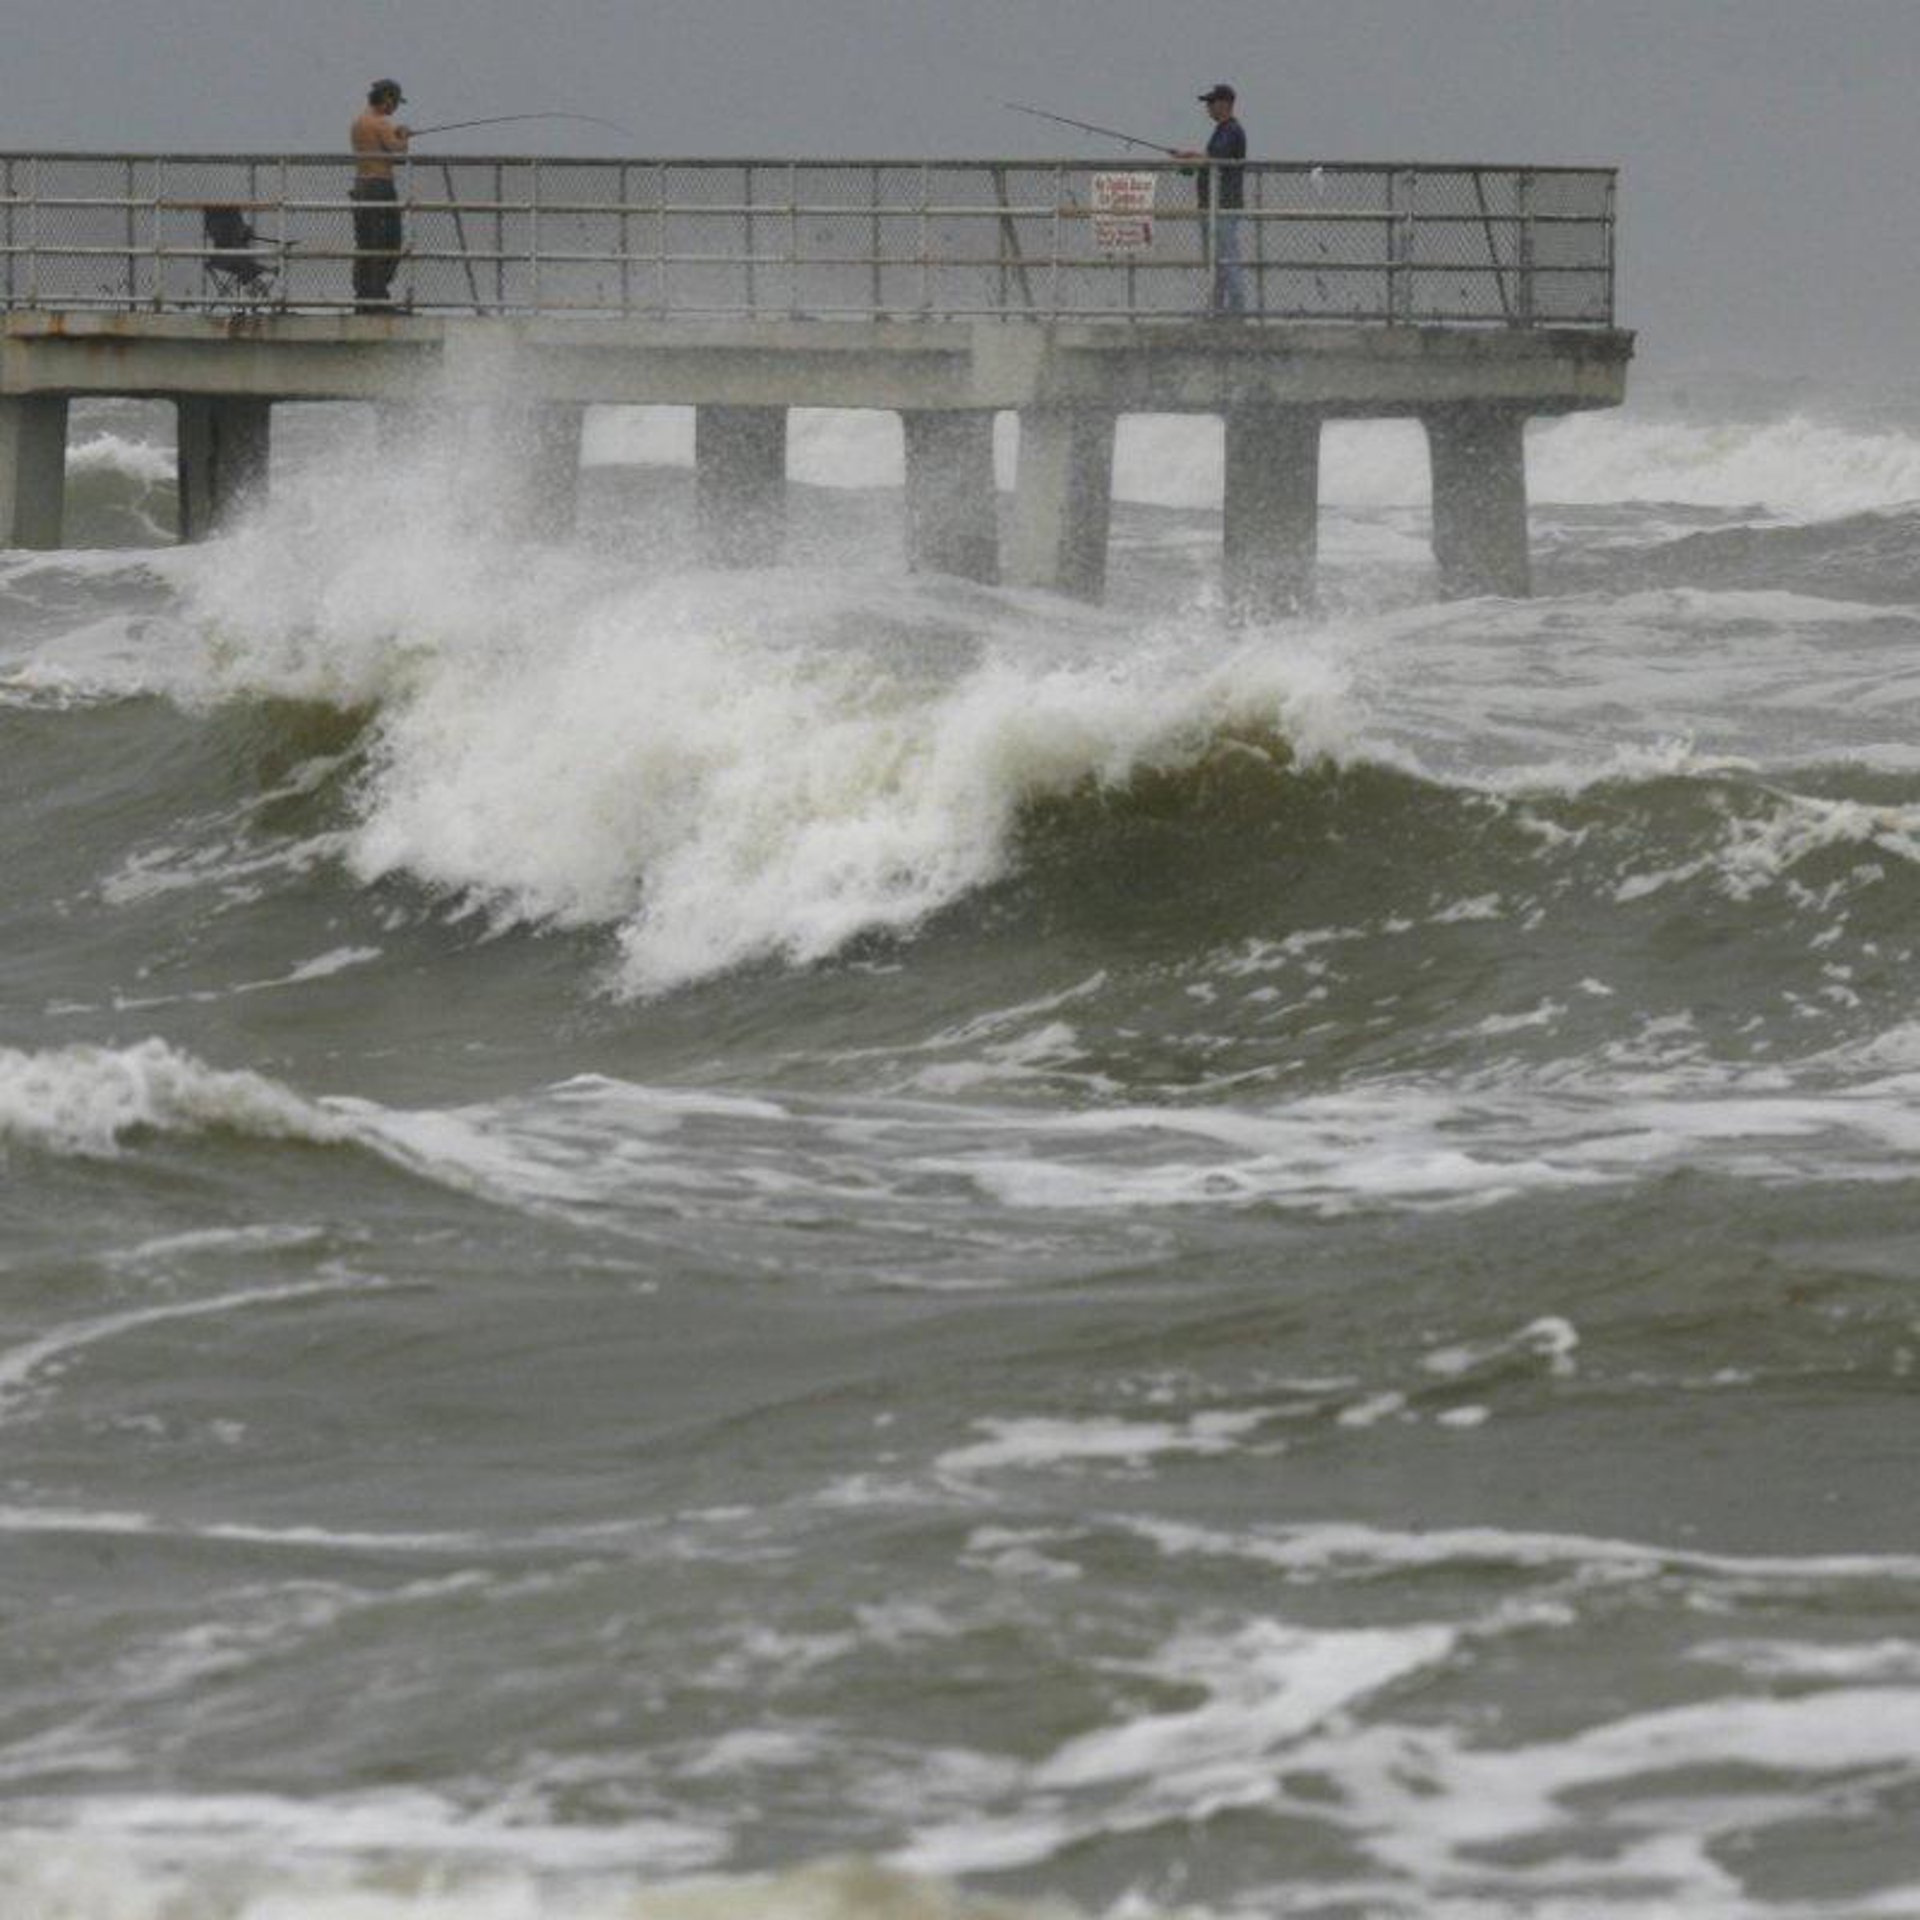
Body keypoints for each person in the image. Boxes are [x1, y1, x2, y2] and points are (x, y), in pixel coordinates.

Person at [1177, 83, 1248, 316]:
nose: (1208, 107)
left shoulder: (1231, 130)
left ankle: (1236, 311)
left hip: (1224, 207)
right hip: (1213, 207)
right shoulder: (1223, 130)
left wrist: (1192, 159)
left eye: (1211, 102)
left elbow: (1215, 160)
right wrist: (1191, 156)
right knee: (1218, 263)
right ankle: (1218, 309)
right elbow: (1210, 157)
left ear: (1225, 104)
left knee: (1228, 261)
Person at [350, 79, 411, 312]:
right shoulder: (380, 123)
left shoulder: (359, 123)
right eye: (395, 103)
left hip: (361, 185)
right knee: (389, 241)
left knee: (367, 242)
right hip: (380, 185)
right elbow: (399, 153)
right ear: (387, 99)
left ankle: (364, 296)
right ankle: (378, 295)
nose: (395, 108)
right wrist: (403, 135)